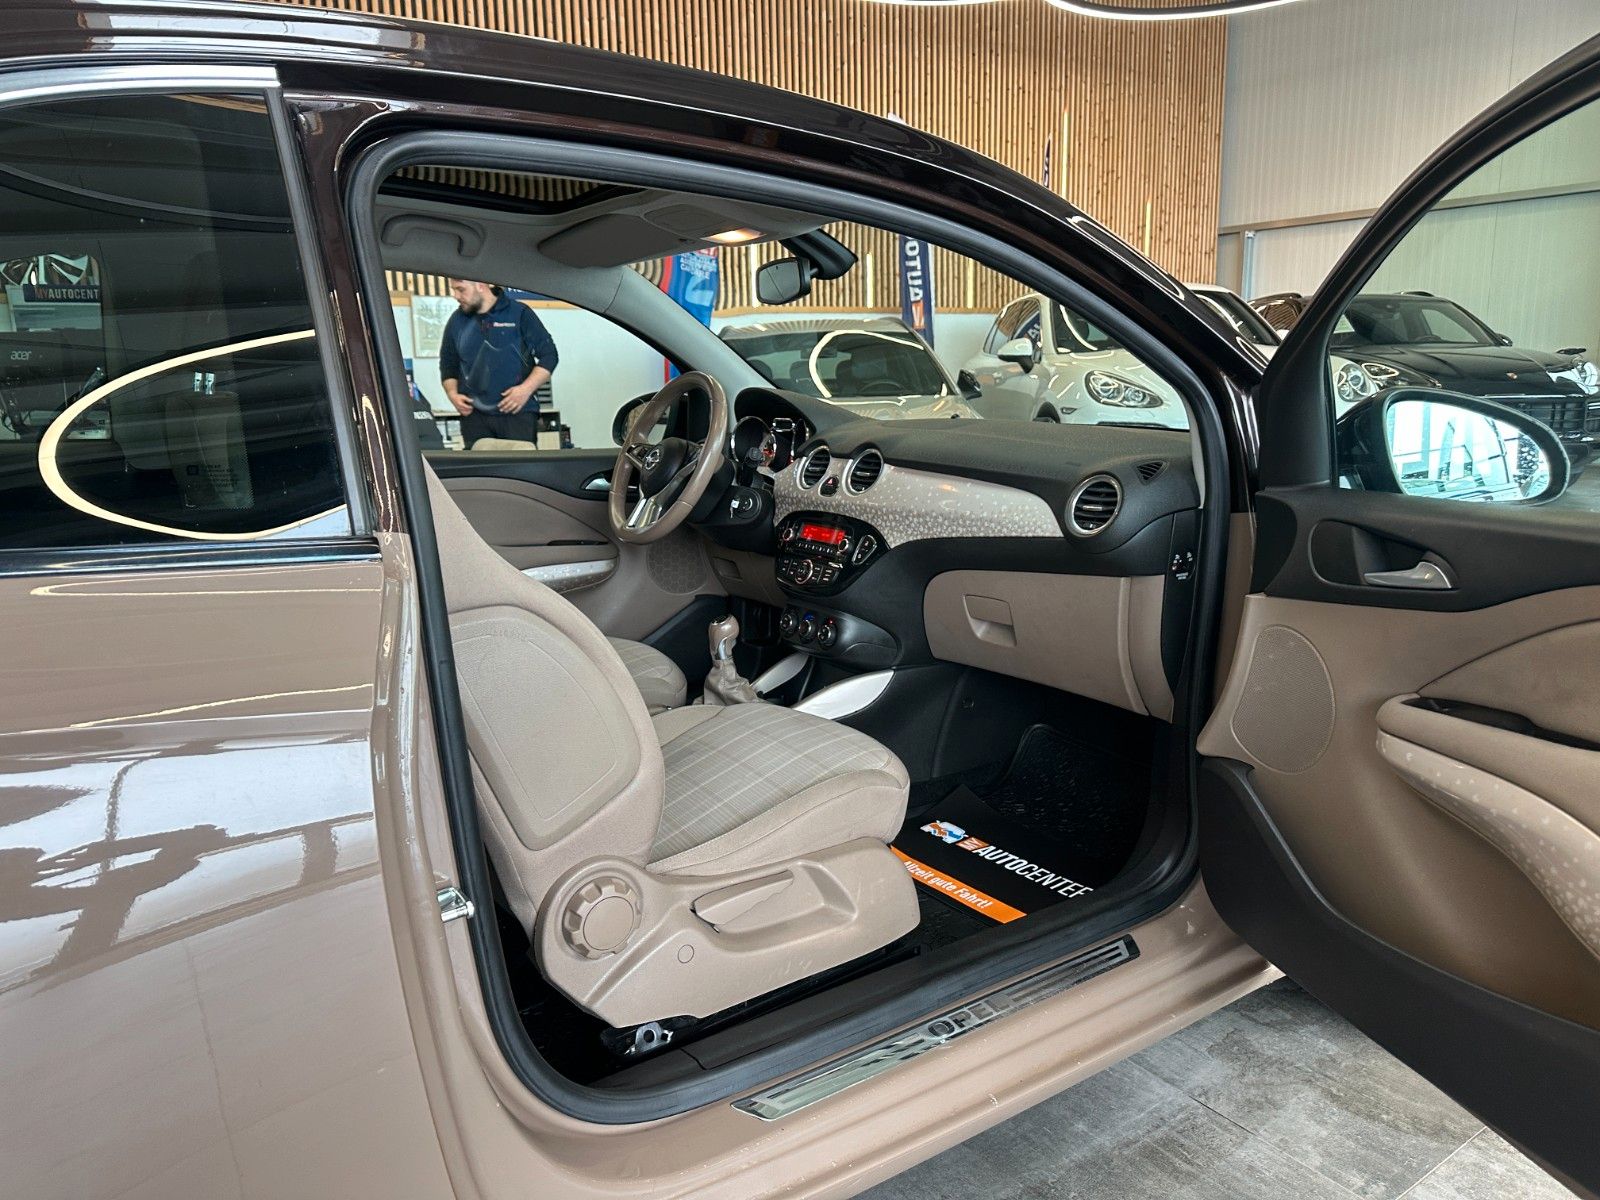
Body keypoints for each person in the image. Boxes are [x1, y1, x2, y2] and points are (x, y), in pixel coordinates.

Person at [439, 279, 559, 447]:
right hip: (474, 417)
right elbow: (448, 364)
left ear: (480, 285)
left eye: (461, 289)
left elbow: (549, 356)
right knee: (479, 464)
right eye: (454, 290)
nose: (456, 296)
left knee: (519, 462)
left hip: (517, 413)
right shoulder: (457, 321)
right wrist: (452, 394)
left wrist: (525, 390)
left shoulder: (519, 313)